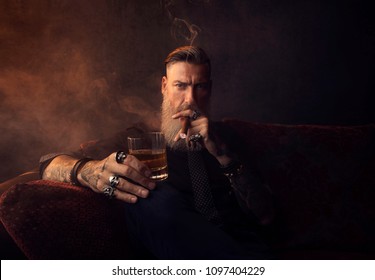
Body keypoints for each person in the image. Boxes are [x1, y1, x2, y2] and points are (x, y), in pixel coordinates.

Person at [40, 46, 275, 259]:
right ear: (164, 87)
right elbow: (48, 162)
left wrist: (224, 156)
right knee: (152, 193)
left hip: (245, 249)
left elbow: (266, 217)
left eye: (199, 86)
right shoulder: (137, 139)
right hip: (180, 252)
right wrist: (87, 169)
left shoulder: (226, 137)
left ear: (210, 89)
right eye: (180, 86)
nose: (190, 99)